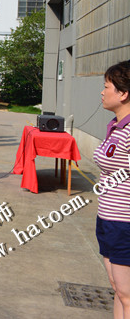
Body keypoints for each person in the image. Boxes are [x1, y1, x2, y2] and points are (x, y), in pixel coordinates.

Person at [94, 61, 130, 318]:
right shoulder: (116, 127)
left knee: (128, 293)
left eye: (106, 87)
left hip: (124, 223)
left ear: (123, 93)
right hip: (108, 220)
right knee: (118, 289)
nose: (102, 92)